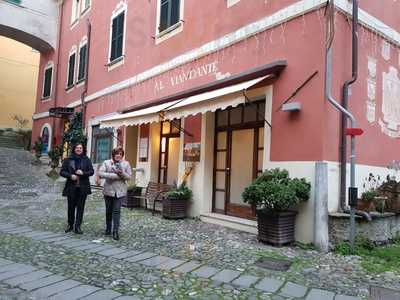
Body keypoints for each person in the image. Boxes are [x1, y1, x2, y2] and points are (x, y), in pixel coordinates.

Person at [98, 147, 132, 240]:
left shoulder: (126, 164)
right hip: (108, 191)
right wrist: (115, 176)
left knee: (117, 211)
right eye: (117, 153)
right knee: (108, 211)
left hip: (120, 192)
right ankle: (108, 228)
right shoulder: (106, 162)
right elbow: (100, 173)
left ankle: (115, 231)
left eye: (120, 154)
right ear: (113, 154)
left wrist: (121, 174)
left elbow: (129, 177)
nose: (118, 155)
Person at [60, 143, 94, 234]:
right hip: (71, 187)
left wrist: (83, 173)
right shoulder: (68, 159)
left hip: (83, 187)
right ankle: (70, 225)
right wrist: (70, 176)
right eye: (77, 148)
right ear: (74, 149)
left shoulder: (86, 159)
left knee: (80, 208)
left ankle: (77, 226)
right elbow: (62, 172)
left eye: (80, 148)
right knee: (71, 207)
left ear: (83, 149)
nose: (79, 149)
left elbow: (91, 171)